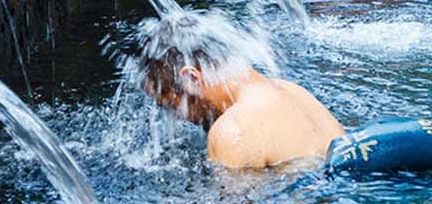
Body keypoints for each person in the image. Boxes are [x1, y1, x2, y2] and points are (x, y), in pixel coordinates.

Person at [140, 10, 345, 168]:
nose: (178, 117)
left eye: (170, 104)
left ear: (191, 77)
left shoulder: (233, 132)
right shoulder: (294, 92)